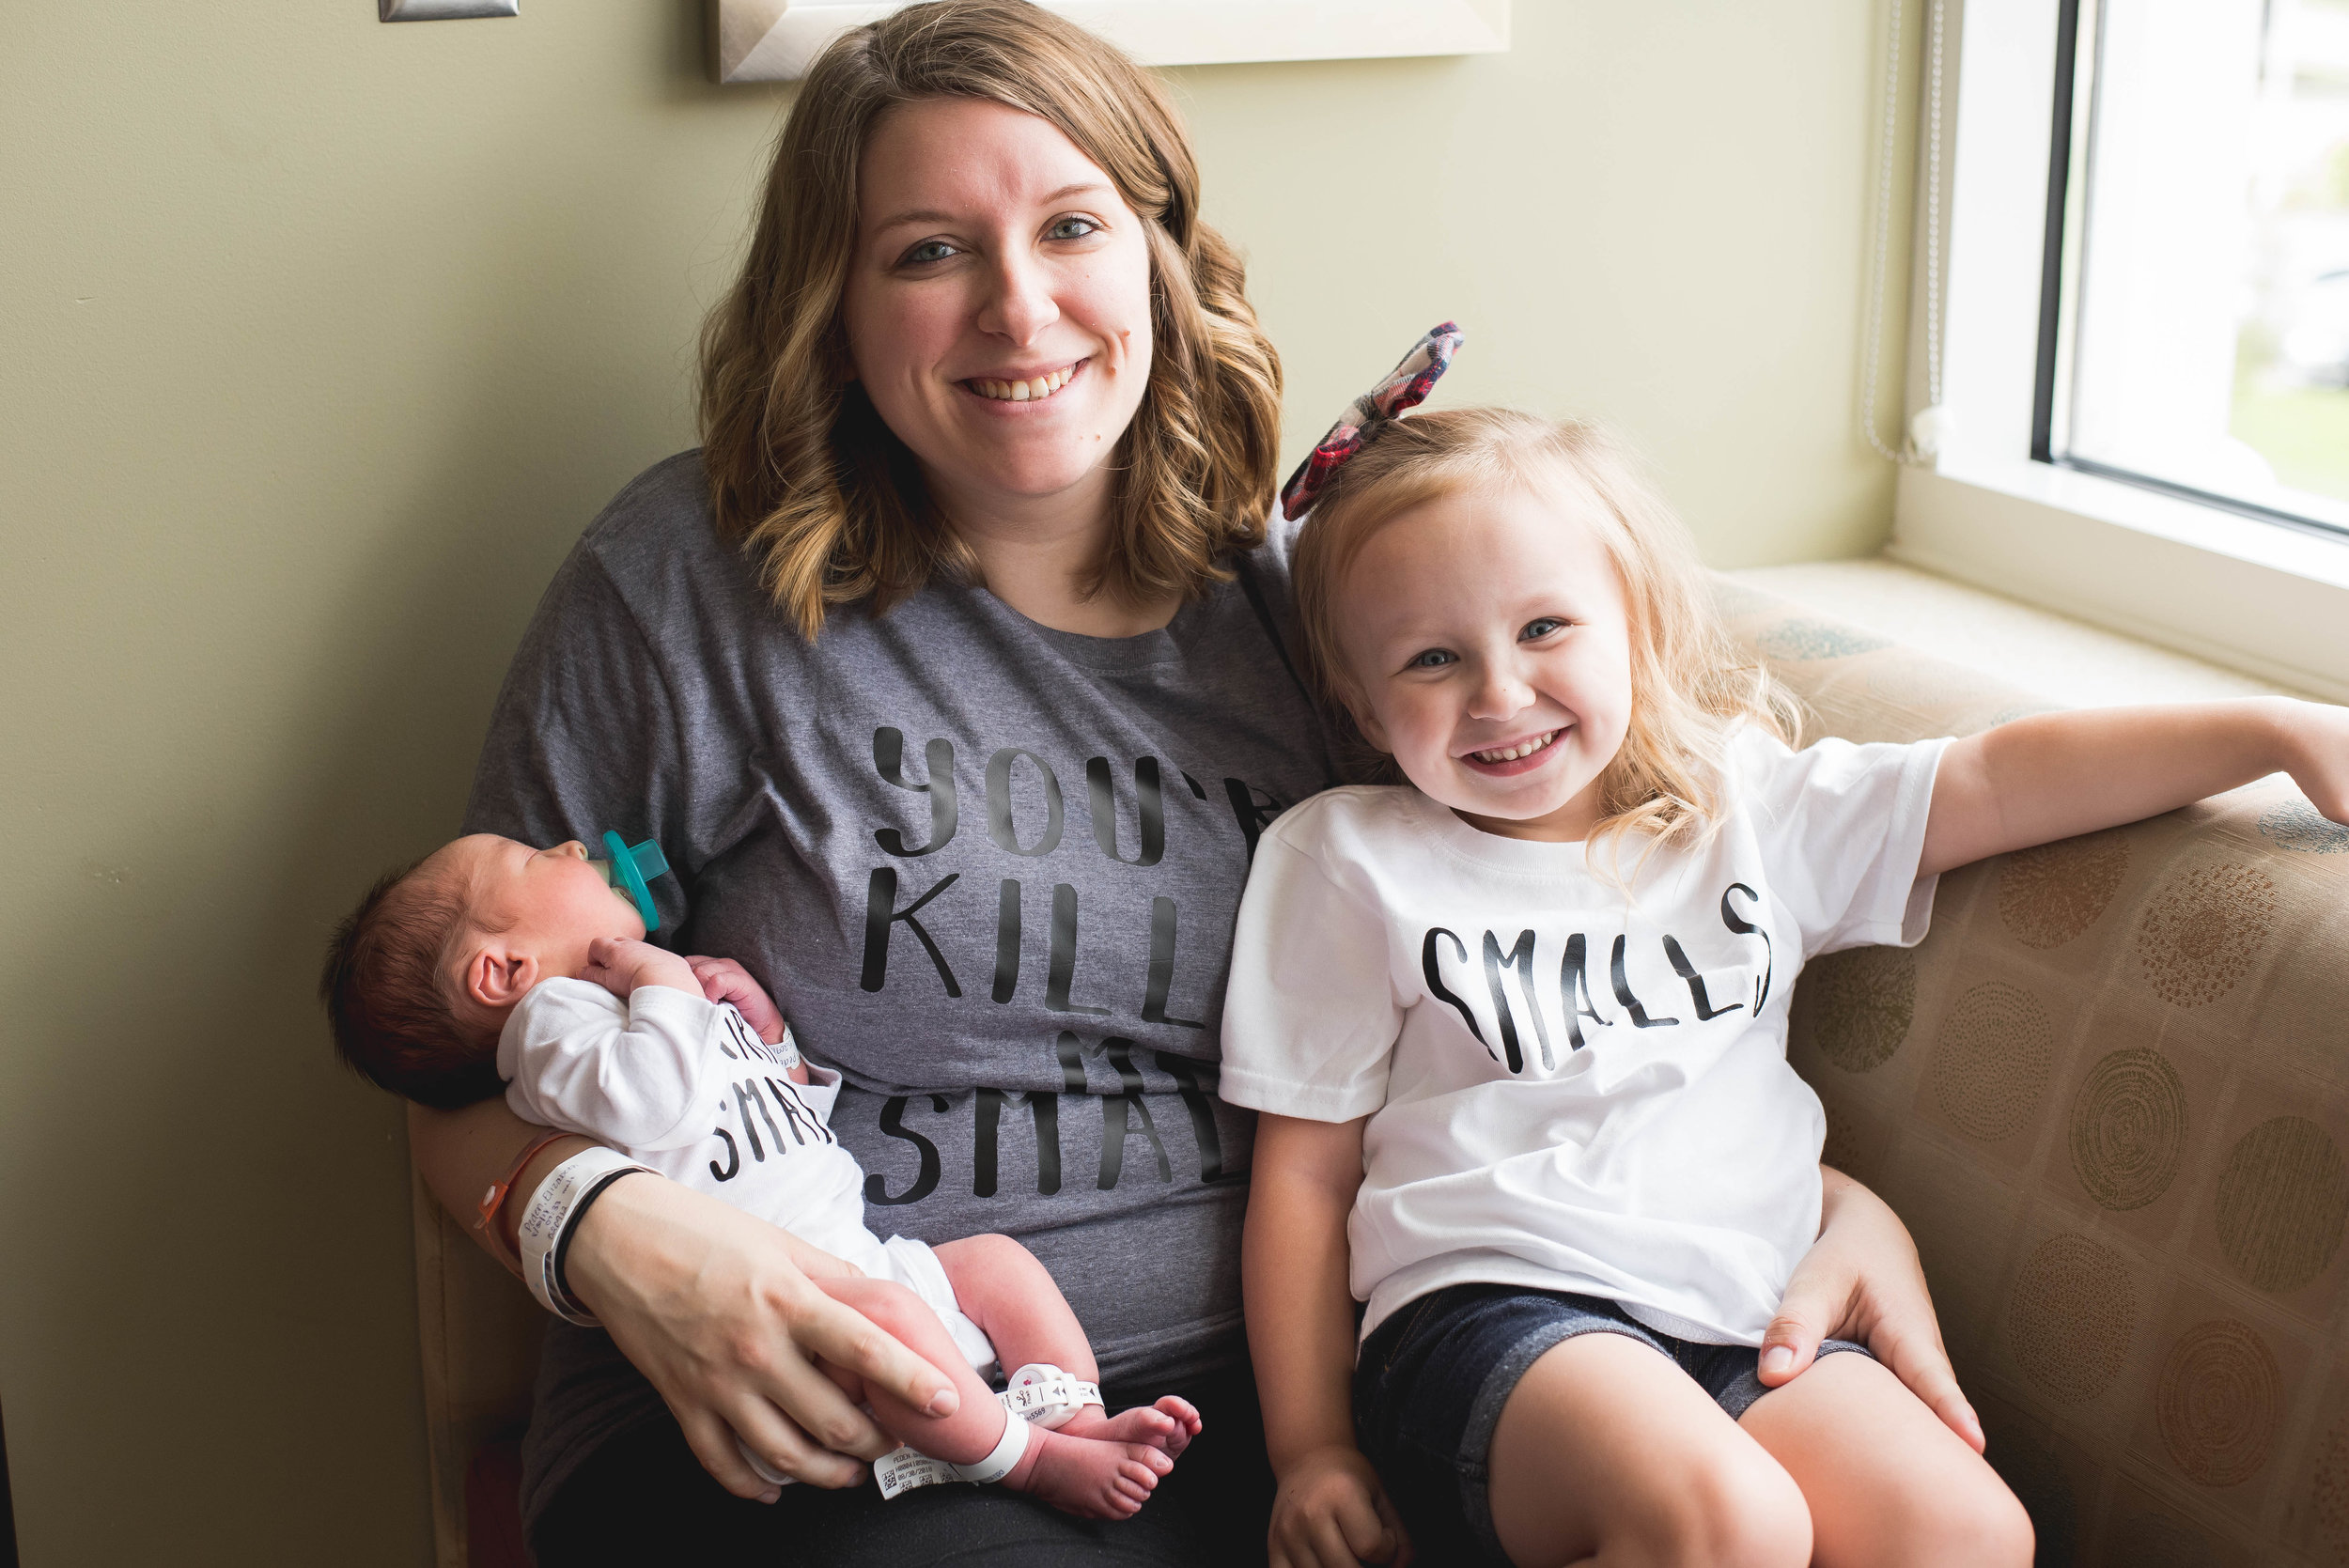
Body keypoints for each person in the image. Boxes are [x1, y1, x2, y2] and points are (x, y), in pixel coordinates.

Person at [399, 4, 1983, 1562]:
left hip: (1316, 1405)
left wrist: (1833, 1201)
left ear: (1159, 256)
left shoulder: (1332, 623)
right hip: (858, 1403)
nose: (1020, 313)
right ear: (835, 301)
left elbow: (1566, 969)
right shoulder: (688, 587)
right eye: (927, 250)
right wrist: (611, 1234)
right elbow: (459, 1074)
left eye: (1071, 226)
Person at [1228, 405, 2349, 1567]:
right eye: (1430, 658)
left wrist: (2268, 730)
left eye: (1546, 627)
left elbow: (2001, 782)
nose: (1500, 693)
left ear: (1637, 624)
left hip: (1747, 1300)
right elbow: (1305, 1178)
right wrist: (1310, 1450)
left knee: (1967, 1534)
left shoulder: (1748, 808)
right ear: (1361, 704)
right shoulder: (1347, 861)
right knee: (1730, 1522)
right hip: (1491, 1306)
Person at [321, 831, 1200, 1517]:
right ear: (501, 971)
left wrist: (763, 1033)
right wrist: (663, 982)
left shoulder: (615, 1019)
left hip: (856, 1254)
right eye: (528, 857)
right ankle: (1031, 1459)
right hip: (800, 1319)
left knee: (998, 1262)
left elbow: (770, 1119)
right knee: (893, 1320)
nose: (565, 846)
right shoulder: (551, 1031)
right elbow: (656, 1099)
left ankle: (1075, 1413)